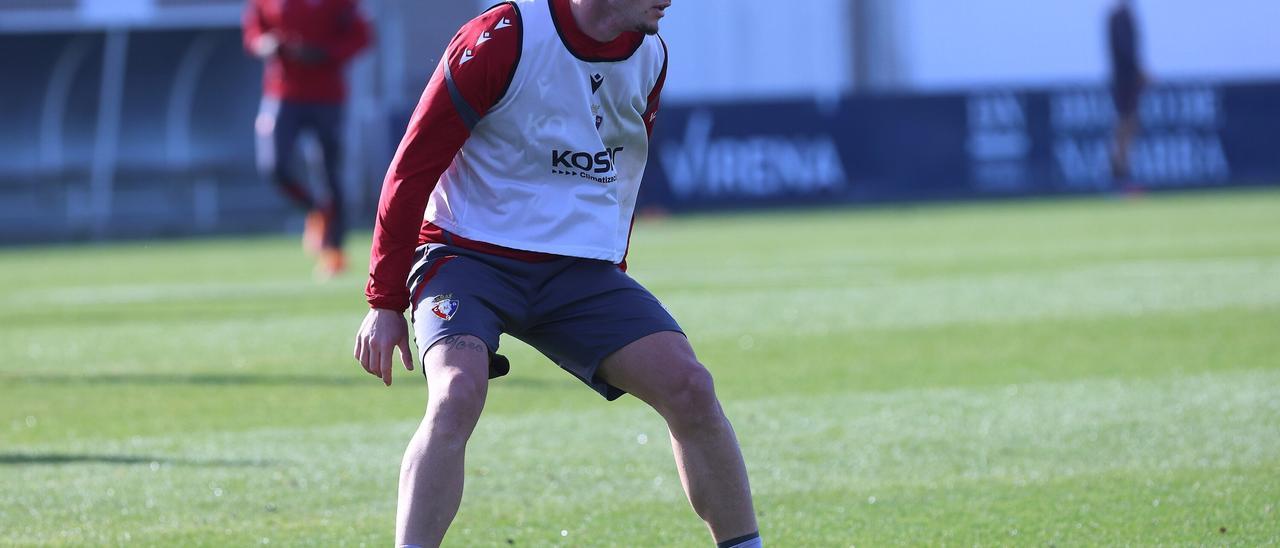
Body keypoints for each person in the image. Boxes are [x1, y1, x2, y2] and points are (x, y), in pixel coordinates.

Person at [352, 1, 762, 546]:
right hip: (465, 256)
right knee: (455, 393)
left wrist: (611, 277)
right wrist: (383, 302)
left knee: (690, 387)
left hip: (575, 273)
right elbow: (412, 166)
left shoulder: (651, 55)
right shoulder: (502, 37)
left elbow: (622, 173)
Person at [243, 0, 371, 277]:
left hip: (327, 95)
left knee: (328, 172)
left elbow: (361, 37)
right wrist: (266, 44)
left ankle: (334, 250)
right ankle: (316, 211)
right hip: (282, 93)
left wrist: (324, 53)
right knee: (274, 166)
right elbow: (253, 33)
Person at [1107, 0, 1147, 187]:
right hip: (1124, 81)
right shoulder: (1119, 17)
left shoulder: (1123, 16)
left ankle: (1122, 170)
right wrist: (1138, 72)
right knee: (1126, 123)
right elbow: (1125, 51)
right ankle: (1119, 172)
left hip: (1126, 80)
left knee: (1129, 124)